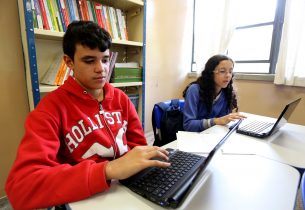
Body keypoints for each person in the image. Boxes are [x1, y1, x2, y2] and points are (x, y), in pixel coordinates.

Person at [5, 21, 170, 210]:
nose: (102, 69)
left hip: (127, 193)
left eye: (106, 59)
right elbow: (21, 188)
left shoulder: (121, 99)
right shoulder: (50, 109)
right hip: (84, 200)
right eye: (90, 61)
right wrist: (107, 170)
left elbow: (137, 147)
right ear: (69, 62)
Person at [182, 54, 245, 132]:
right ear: (210, 73)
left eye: (230, 71)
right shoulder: (194, 90)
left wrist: (227, 120)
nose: (228, 75)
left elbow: (222, 121)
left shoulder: (226, 92)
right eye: (222, 71)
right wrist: (216, 121)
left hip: (212, 135)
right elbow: (188, 125)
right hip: (193, 137)